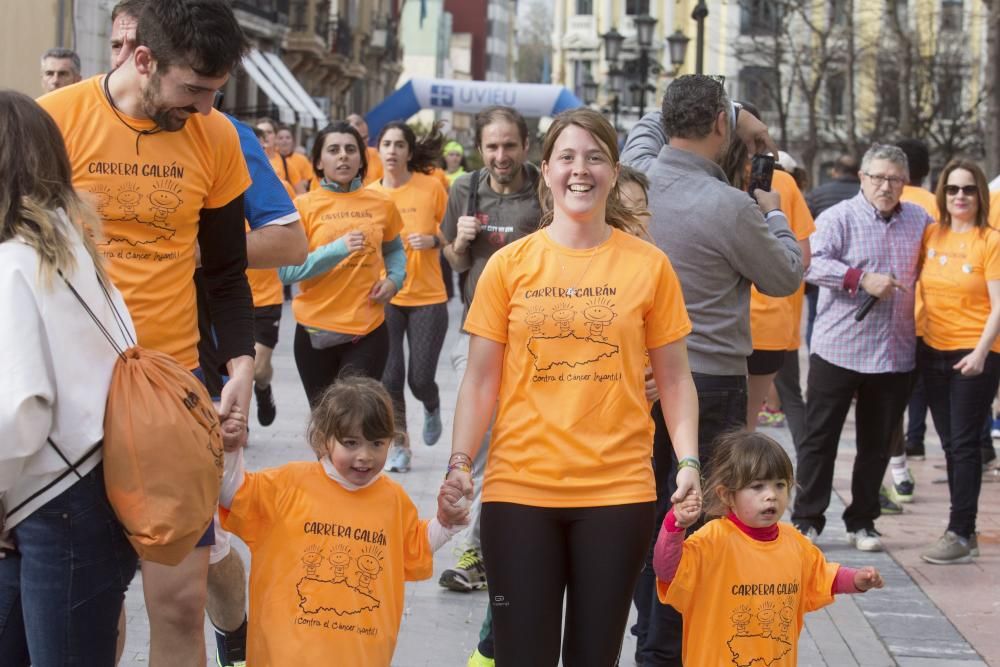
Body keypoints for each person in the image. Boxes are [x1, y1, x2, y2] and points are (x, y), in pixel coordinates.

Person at [38, 2, 256, 664]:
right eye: (193, 89)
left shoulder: (213, 136)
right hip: (71, 389)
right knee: (91, 603)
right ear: (141, 59)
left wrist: (242, 364)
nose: (203, 106)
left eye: (215, 92)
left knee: (180, 603)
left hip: (172, 389)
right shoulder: (57, 123)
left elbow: (224, 273)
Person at [448, 107, 700, 665]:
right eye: (566, 157)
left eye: (594, 157)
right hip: (519, 492)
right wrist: (460, 464)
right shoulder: (509, 266)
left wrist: (687, 465)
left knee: (595, 656)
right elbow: (480, 379)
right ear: (545, 170)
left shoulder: (649, 267)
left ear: (613, 171)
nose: (579, 170)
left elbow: (676, 379)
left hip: (617, 494)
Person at [622, 76, 804, 666]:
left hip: (639, 376)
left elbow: (649, 126)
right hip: (709, 379)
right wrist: (773, 215)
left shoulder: (638, 178)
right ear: (722, 128)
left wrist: (734, 110)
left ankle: (647, 625)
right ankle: (666, 645)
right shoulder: (729, 205)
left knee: (647, 509)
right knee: (694, 520)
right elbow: (783, 275)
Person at [0, 89, 138, 666]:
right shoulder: (73, 250)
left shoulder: (13, 262)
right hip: (94, 488)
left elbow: (19, 411)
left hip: (51, 502)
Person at [219, 376, 467, 665]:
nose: (364, 456)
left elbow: (415, 547)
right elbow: (230, 495)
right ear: (324, 439)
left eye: (377, 443)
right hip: (284, 656)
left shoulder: (393, 500)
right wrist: (230, 449)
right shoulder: (286, 485)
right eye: (351, 443)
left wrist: (445, 522)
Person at [792, 144, 931, 552]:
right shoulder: (838, 217)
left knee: (877, 443)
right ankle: (807, 519)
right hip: (839, 348)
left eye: (894, 179)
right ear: (863, 178)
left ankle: (863, 520)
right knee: (820, 439)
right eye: (878, 177)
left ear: (905, 183)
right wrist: (859, 278)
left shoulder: (920, 220)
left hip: (894, 352)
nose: (885, 186)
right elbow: (810, 262)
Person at [653, 431, 884, 667]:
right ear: (727, 495)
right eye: (757, 487)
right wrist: (676, 525)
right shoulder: (713, 540)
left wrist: (857, 580)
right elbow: (667, 571)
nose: (771, 496)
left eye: (780, 485)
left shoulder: (796, 543)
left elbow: (824, 577)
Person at [437, 105, 541, 596]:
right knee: (474, 443)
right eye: (492, 146)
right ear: (480, 148)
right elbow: (454, 259)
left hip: (534, 338)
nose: (502, 155)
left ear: (526, 145)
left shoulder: (544, 187)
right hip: (477, 333)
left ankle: (486, 549)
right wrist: (458, 242)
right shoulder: (465, 188)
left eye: (510, 145)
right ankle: (473, 543)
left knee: (513, 444)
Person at [279, 121, 406, 405]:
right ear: (319, 162)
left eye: (351, 149)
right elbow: (286, 272)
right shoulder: (303, 206)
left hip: (367, 328)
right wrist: (338, 249)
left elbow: (395, 248)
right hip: (314, 330)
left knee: (355, 417)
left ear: (361, 159)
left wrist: (394, 280)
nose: (343, 156)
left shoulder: (382, 204)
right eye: (333, 150)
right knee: (325, 422)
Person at [917, 160, 999, 564]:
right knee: (950, 444)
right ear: (942, 194)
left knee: (965, 445)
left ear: (980, 194)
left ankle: (961, 532)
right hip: (932, 350)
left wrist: (982, 352)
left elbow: (998, 306)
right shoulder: (932, 234)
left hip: (974, 353)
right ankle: (961, 527)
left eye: (967, 189)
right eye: (952, 189)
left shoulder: (991, 240)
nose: (960, 197)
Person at [369, 122, 449, 473]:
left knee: (419, 378)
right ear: (378, 150)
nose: (392, 150)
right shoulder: (369, 194)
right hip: (385, 296)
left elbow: (452, 236)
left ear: (409, 152)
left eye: (399, 144)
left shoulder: (432, 187)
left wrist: (434, 241)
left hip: (428, 296)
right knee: (389, 378)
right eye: (386, 144)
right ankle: (400, 446)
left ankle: (431, 405)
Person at [257, 117, 307, 195]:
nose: (265, 135)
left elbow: (301, 194)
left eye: (269, 132)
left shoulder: (286, 163)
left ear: (276, 136)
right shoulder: (247, 162)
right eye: (261, 132)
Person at [347, 113, 383, 186]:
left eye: (365, 137)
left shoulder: (379, 155)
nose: (363, 143)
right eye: (358, 139)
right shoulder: (336, 159)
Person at [276, 124, 313, 193]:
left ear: (293, 141)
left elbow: (309, 180)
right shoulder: (272, 159)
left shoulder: (302, 159)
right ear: (276, 141)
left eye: (288, 138)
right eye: (280, 138)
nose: (285, 140)